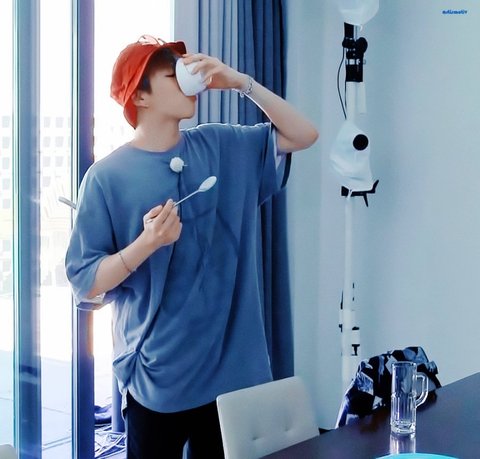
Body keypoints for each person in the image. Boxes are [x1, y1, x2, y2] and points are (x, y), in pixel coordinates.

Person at [65, 35, 318, 459]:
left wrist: (241, 82)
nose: (189, 80)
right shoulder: (107, 178)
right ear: (140, 96)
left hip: (231, 375)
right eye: (172, 73)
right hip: (158, 376)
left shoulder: (221, 145)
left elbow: (304, 134)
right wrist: (146, 244)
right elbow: (86, 283)